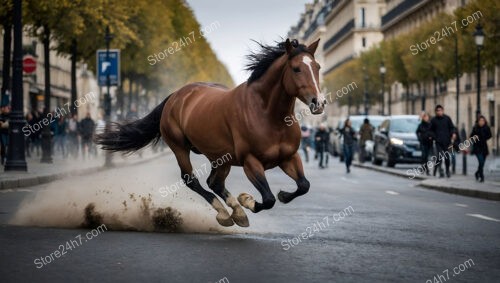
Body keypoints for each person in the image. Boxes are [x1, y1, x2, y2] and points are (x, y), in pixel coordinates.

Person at [430, 105, 456, 178]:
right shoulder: (433, 120)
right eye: (437, 110)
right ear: (436, 112)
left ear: (443, 110)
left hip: (447, 142)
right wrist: (433, 137)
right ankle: (438, 170)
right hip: (438, 142)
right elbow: (430, 130)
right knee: (439, 157)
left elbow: (452, 127)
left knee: (447, 157)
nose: (439, 112)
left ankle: (447, 170)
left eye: (440, 110)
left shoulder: (447, 118)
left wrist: (453, 133)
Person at [470, 115, 492, 182]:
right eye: (480, 121)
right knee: (481, 161)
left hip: (484, 147)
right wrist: (474, 138)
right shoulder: (475, 128)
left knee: (482, 163)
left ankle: (477, 173)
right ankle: (482, 176)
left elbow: (490, 135)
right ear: (478, 121)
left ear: (485, 121)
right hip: (477, 147)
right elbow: (471, 136)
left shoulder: (487, 128)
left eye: (483, 121)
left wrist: (484, 138)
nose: (481, 122)